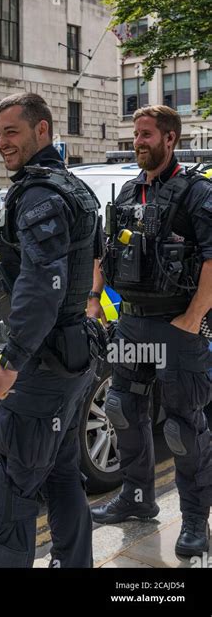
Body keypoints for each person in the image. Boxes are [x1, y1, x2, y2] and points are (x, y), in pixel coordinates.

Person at [0, 93, 102, 568]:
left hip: (43, 367)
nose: (2, 142)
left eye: (12, 131)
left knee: (13, 488)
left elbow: (42, 284)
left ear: (42, 130)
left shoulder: (39, 194)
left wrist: (10, 365)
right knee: (63, 475)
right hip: (72, 359)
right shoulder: (73, 186)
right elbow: (88, 266)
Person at [88, 105, 212, 558]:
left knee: (183, 427)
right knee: (122, 409)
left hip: (177, 330)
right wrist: (93, 298)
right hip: (132, 326)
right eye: (136, 135)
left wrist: (193, 318)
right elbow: (104, 250)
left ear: (170, 139)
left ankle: (196, 518)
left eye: (145, 135)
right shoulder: (128, 192)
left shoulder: (197, 193)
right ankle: (137, 499)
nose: (138, 142)